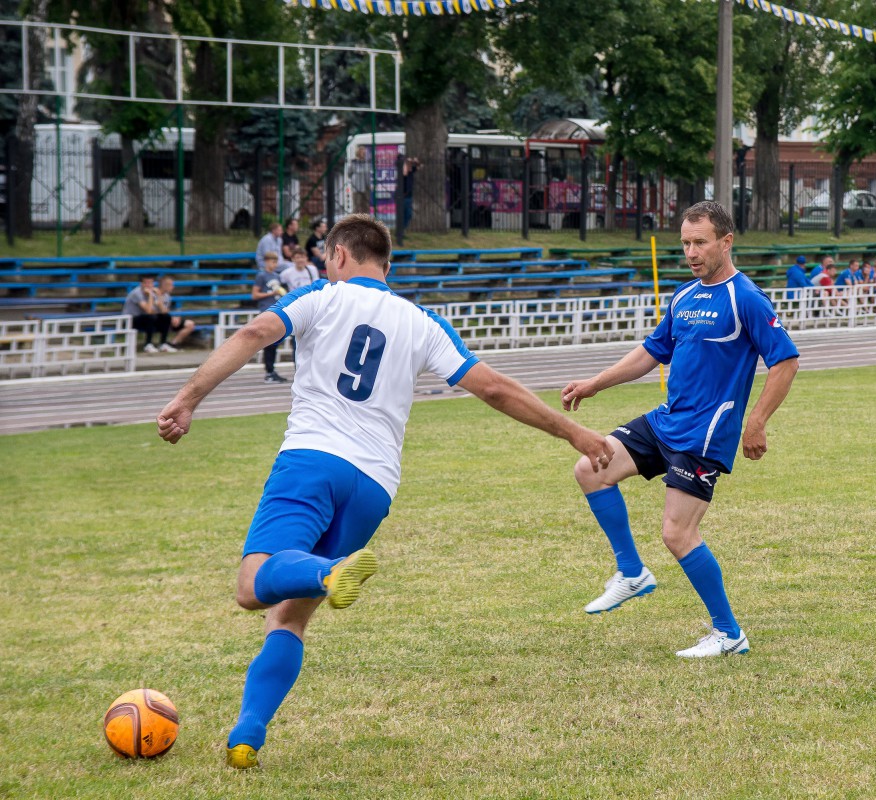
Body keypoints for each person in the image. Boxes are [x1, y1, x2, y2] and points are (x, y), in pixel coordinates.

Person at [155, 213, 612, 769]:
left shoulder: (320, 297)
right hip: (373, 486)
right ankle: (247, 736)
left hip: (312, 461)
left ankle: (328, 573)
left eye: (328, 259)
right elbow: (493, 387)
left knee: (254, 587)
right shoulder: (421, 322)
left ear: (339, 256)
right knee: (290, 617)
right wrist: (573, 432)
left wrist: (188, 398)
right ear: (387, 266)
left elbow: (254, 334)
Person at [561, 201, 799, 658]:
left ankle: (729, 634)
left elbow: (785, 360)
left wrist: (757, 421)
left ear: (726, 242)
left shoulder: (745, 298)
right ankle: (632, 573)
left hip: (704, 434)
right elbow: (651, 353)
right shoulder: (684, 296)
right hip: (667, 421)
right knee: (591, 469)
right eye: (686, 243)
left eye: (700, 242)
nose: (691, 252)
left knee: (677, 534)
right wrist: (594, 384)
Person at [252, 251, 289, 383]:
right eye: (272, 262)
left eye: (276, 262)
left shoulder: (276, 276)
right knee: (269, 343)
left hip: (276, 310)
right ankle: (269, 371)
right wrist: (271, 293)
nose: (274, 264)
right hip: (266, 310)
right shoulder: (261, 275)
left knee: (275, 342)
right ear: (266, 262)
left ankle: (271, 370)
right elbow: (255, 295)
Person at [122, 274, 171, 354]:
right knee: (150, 317)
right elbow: (148, 311)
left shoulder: (154, 293)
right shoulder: (137, 293)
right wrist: (151, 295)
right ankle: (148, 344)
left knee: (166, 317)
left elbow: (163, 311)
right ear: (141, 284)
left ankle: (163, 344)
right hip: (131, 320)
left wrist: (159, 296)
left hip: (144, 319)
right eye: (146, 283)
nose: (148, 285)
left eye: (150, 283)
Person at [156, 276, 197, 350]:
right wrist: (171, 318)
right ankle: (162, 343)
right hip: (155, 320)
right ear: (164, 285)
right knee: (166, 319)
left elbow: (166, 310)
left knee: (190, 324)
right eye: (171, 285)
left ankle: (173, 344)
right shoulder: (153, 295)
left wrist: (174, 317)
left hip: (166, 319)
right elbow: (159, 311)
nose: (173, 287)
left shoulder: (167, 296)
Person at [348, 146, 371, 215]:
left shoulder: (366, 162)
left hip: (366, 186)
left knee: (366, 205)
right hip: (356, 187)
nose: (364, 153)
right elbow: (349, 173)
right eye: (362, 151)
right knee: (356, 205)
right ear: (358, 152)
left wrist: (369, 185)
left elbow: (368, 174)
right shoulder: (354, 162)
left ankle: (366, 219)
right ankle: (354, 219)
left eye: (364, 152)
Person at [401, 157, 420, 229]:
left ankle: (403, 228)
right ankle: (402, 229)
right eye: (409, 164)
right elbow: (404, 172)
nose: (410, 166)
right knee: (405, 213)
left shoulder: (411, 171)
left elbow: (419, 166)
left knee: (409, 214)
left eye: (411, 165)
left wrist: (416, 162)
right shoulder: (404, 173)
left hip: (409, 196)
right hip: (403, 196)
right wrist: (407, 161)